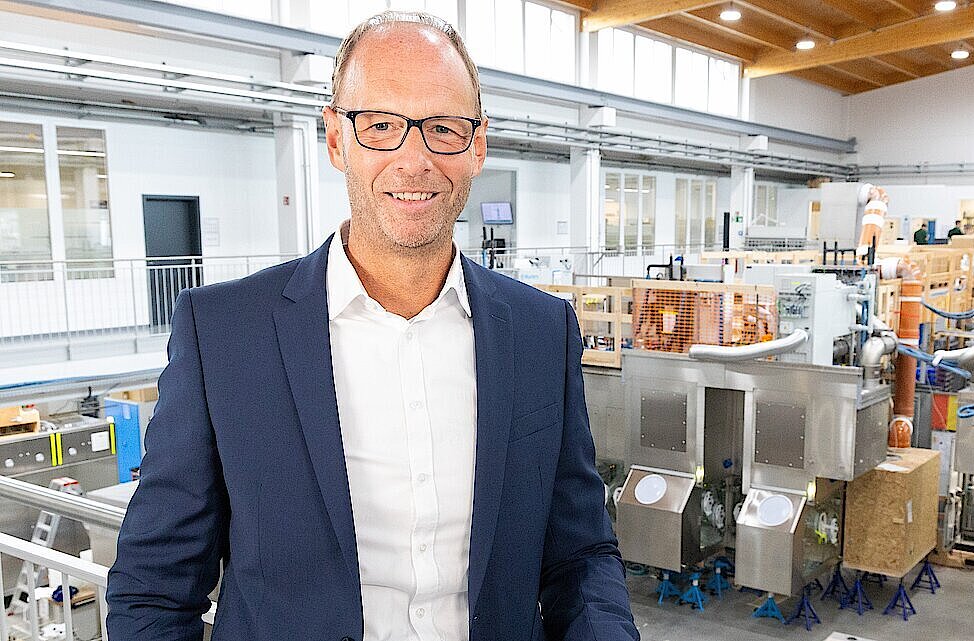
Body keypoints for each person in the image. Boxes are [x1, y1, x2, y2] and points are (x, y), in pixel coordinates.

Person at [106, 12, 638, 641]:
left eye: (443, 127)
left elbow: (579, 559)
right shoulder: (224, 335)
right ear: (336, 139)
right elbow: (155, 588)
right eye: (381, 125)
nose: (415, 160)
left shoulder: (540, 331)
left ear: (477, 146)